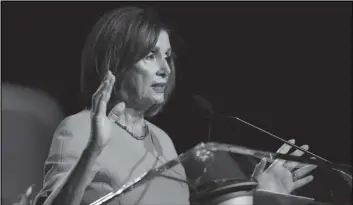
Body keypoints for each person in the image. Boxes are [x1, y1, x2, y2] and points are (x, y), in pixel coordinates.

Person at [33, 6, 316, 205]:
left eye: (167, 57)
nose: (165, 69)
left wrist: (259, 194)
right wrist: (93, 149)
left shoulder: (163, 142)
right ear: (116, 63)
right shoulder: (79, 129)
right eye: (150, 56)